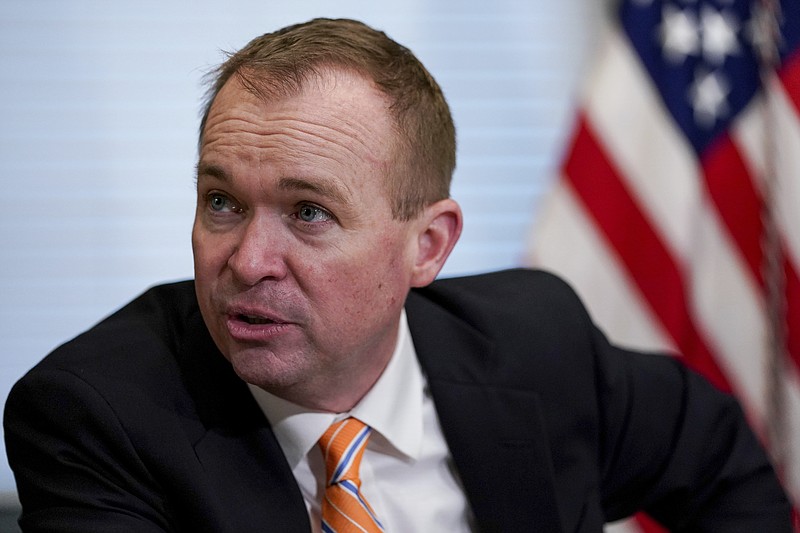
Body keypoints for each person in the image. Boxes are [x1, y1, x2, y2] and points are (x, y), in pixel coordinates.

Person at [3, 17, 791, 532]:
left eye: (308, 212)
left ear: (428, 245)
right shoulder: (95, 415)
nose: (246, 261)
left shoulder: (536, 341)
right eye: (221, 201)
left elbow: (721, 459)